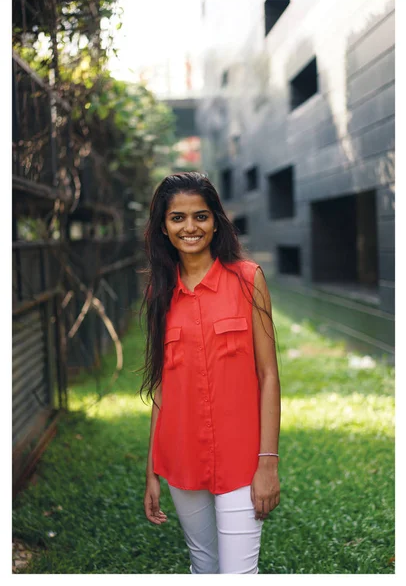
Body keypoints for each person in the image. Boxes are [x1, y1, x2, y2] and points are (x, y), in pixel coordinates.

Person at [139, 172, 281, 574]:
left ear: (216, 220)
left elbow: (268, 376)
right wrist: (151, 472)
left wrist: (267, 462)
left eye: (200, 216)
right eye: (177, 218)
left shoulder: (248, 279)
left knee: (238, 574)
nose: (190, 227)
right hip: (181, 459)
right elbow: (162, 388)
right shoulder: (160, 293)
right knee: (203, 567)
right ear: (163, 228)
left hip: (241, 459)